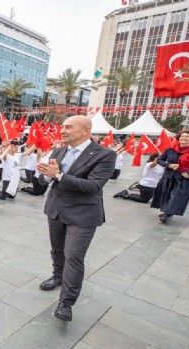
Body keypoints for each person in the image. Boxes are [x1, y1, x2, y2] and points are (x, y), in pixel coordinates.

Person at [36, 115, 116, 322]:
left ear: (85, 130)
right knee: (57, 250)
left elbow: (93, 186)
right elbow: (49, 179)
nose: (62, 130)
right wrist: (46, 174)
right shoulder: (60, 150)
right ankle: (57, 275)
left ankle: (66, 303)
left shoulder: (104, 155)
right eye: (62, 126)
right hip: (55, 209)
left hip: (83, 214)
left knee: (74, 257)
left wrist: (59, 176)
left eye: (68, 127)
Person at [151, 130, 189, 223]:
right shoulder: (171, 149)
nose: (183, 138)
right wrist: (169, 165)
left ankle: (167, 213)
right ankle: (168, 211)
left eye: (187, 137)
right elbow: (160, 160)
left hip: (183, 178)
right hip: (168, 176)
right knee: (166, 194)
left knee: (175, 195)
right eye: (182, 136)